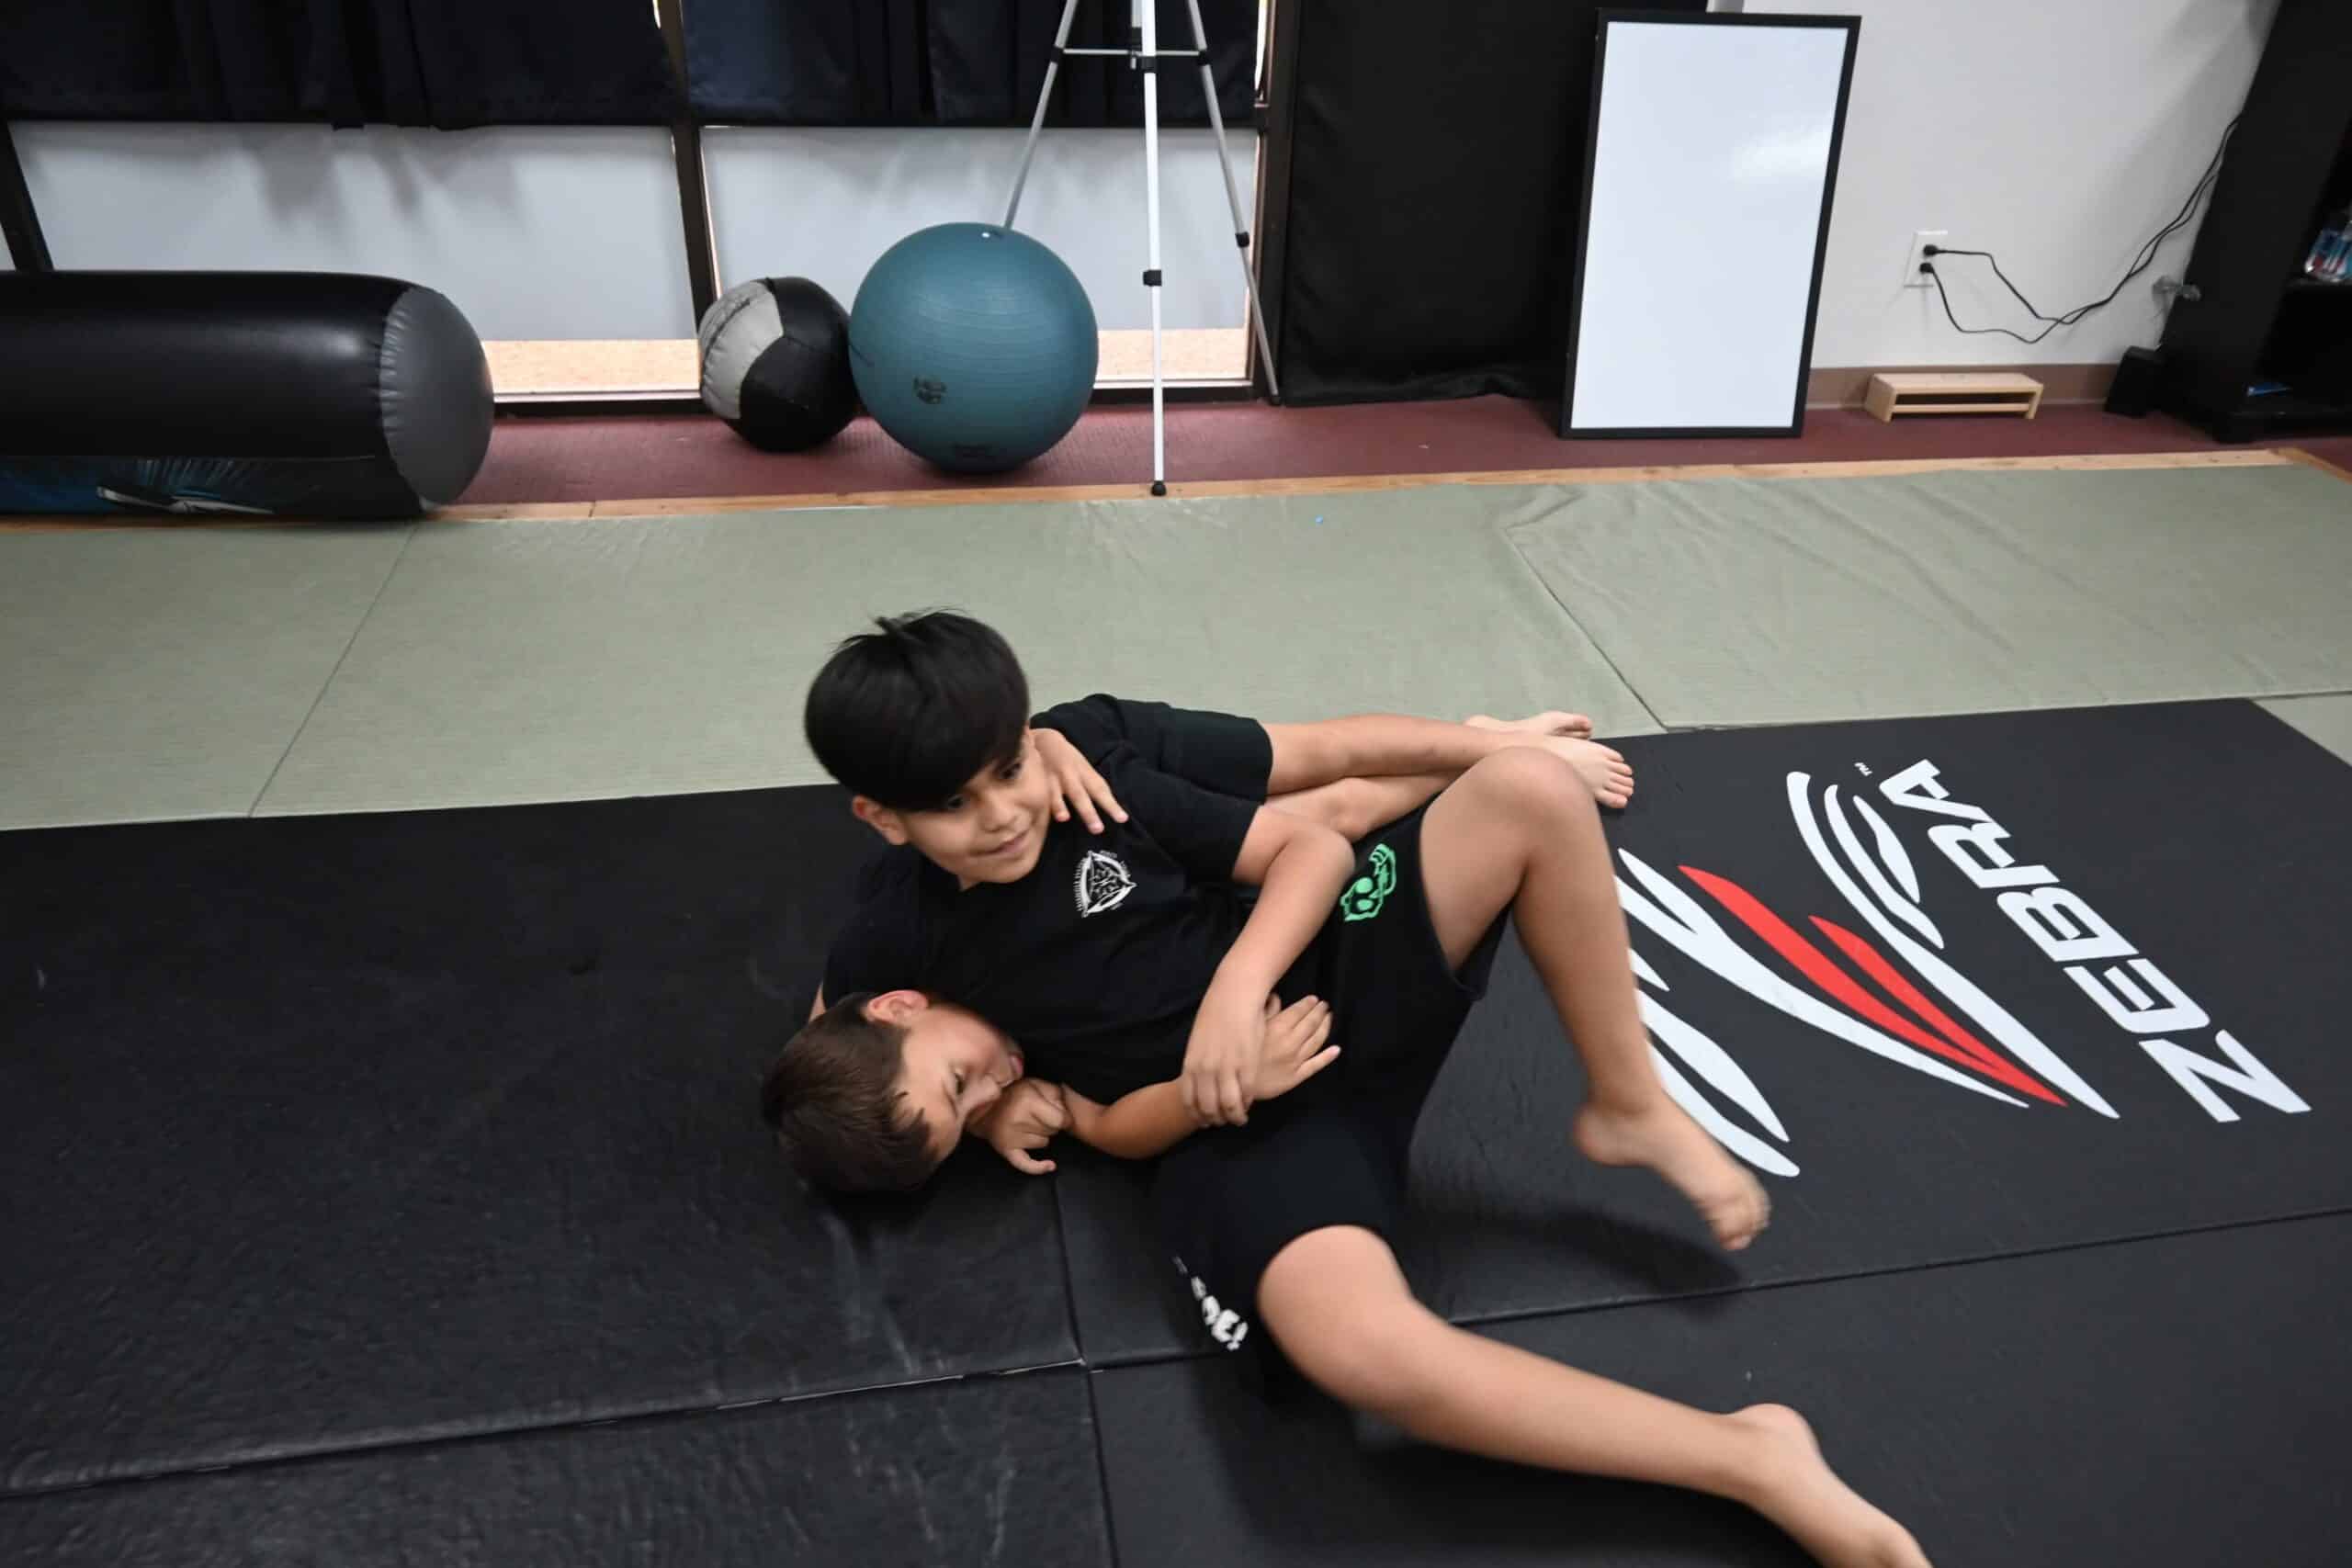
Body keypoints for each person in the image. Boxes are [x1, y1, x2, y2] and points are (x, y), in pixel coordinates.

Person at [762, 612, 1931, 1568]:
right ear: (881, 819)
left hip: (1320, 975)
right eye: (952, 808)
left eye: (1007, 771)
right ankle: (1748, 1457)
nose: (1001, 816)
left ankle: (1625, 1102)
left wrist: (1235, 991)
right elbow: (840, 1065)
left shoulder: (1089, 769)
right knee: (1361, 1351)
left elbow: (1316, 807)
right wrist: (982, 1116)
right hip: (1230, 1133)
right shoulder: (895, 935)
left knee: (1527, 787)